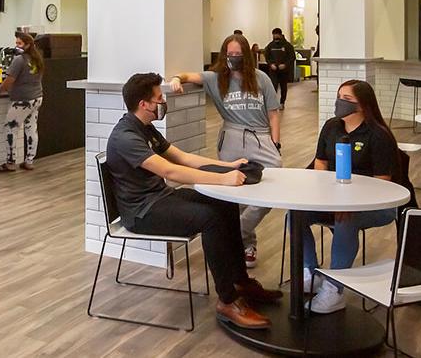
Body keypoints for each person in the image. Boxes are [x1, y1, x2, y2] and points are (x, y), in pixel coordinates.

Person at [105, 72, 281, 329]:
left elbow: (183, 158)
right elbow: (170, 171)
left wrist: (228, 166)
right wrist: (222, 180)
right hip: (142, 212)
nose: (162, 100)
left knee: (225, 202)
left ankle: (239, 280)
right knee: (209, 218)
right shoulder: (126, 137)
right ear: (144, 104)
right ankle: (228, 300)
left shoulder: (146, 128)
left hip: (159, 198)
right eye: (158, 98)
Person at [169, 33, 281, 270]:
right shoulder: (215, 78)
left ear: (247, 56)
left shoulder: (261, 78)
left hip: (261, 136)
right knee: (235, 190)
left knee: (274, 184)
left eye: (238, 55)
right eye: (230, 55)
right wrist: (177, 79)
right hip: (231, 136)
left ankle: (239, 232)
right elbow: (189, 75)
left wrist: (275, 142)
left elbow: (273, 112)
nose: (233, 59)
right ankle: (247, 245)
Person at [303, 79, 399, 314]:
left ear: (363, 105)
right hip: (334, 199)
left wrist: (350, 203)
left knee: (347, 219)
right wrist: (324, 197)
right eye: (338, 97)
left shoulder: (378, 135)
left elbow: (382, 183)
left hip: (375, 204)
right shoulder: (331, 127)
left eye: (346, 100)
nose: (339, 103)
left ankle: (335, 290)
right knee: (295, 215)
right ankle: (310, 271)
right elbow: (320, 163)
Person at [0, 32, 44, 171]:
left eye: (19, 43)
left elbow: (9, 80)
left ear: (27, 45)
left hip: (22, 101)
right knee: (31, 129)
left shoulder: (19, 60)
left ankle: (11, 162)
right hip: (36, 98)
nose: (16, 46)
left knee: (10, 129)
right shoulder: (37, 58)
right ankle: (29, 160)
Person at [264, 27, 298, 110]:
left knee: (283, 87)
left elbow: (292, 57)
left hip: (284, 71)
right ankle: (273, 103)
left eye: (276, 35)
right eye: (273, 35)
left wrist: (285, 65)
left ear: (280, 34)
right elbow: (267, 56)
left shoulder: (287, 45)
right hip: (273, 70)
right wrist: (270, 64)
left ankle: (282, 102)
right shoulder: (270, 46)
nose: (275, 37)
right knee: (273, 86)